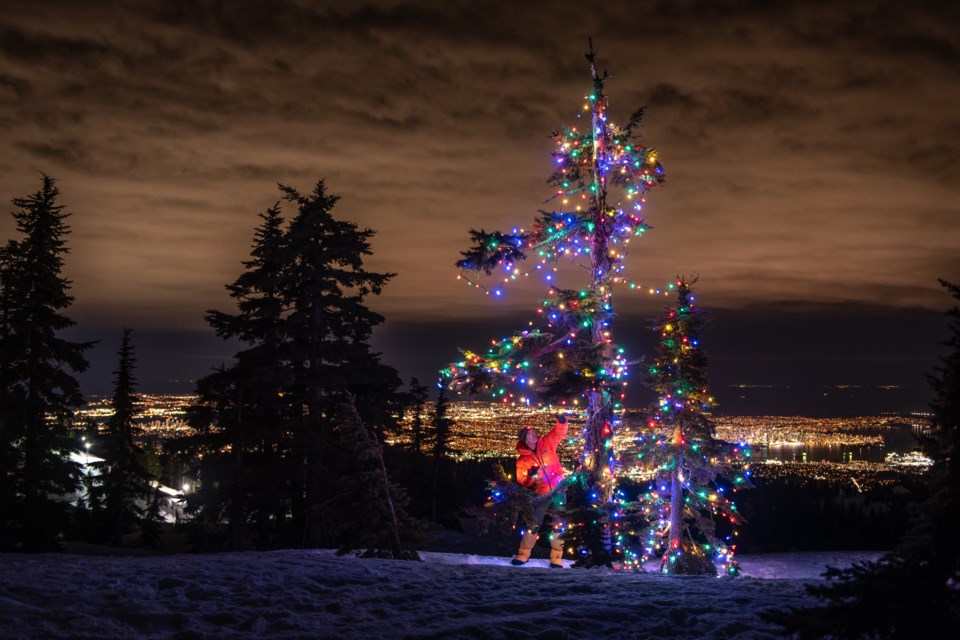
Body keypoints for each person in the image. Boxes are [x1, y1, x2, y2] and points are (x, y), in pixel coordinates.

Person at [511, 413, 568, 567]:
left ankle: (556, 557)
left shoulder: (546, 443)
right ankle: (523, 554)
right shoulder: (522, 460)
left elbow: (558, 433)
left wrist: (561, 422)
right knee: (534, 523)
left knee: (559, 523)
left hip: (559, 489)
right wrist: (530, 475)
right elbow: (521, 480)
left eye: (533, 432)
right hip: (540, 493)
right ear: (525, 439)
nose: (534, 434)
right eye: (530, 434)